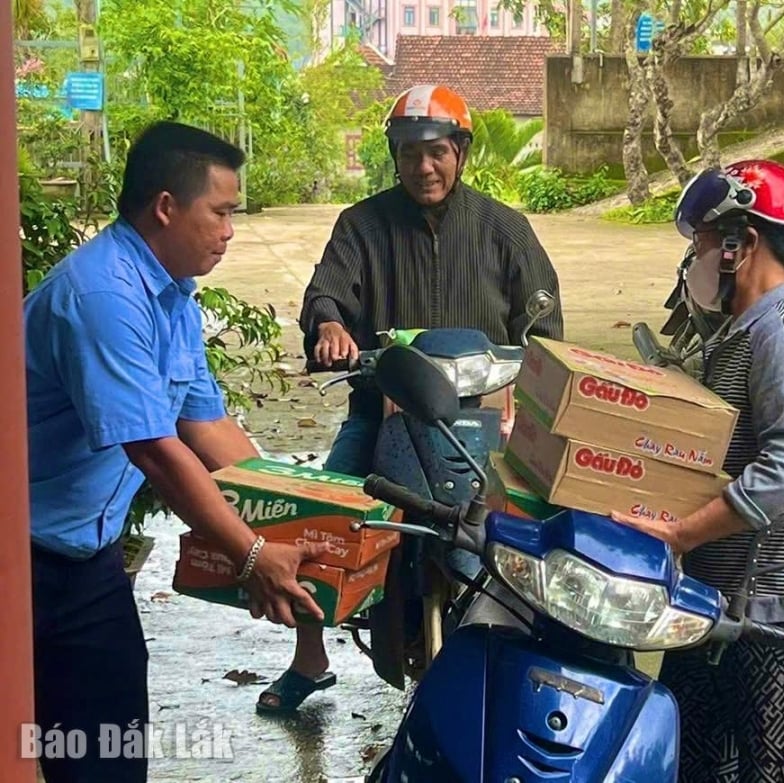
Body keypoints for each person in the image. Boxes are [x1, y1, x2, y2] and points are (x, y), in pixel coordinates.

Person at [24, 121, 331, 783]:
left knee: (104, 750)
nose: (229, 230)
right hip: (18, 558)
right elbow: (156, 452)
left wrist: (298, 515)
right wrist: (251, 555)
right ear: (167, 207)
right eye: (220, 211)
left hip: (86, 560)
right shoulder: (103, 296)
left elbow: (207, 426)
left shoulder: (173, 300)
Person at [256, 83, 564, 714]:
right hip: (379, 412)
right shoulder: (360, 225)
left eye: (437, 152)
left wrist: (532, 372)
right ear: (394, 156)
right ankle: (310, 660)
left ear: (461, 151)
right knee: (323, 516)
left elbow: (545, 328)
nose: (424, 167)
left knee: (543, 528)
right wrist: (331, 327)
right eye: (409, 153)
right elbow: (326, 295)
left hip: (480, 423)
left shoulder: (507, 230)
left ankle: (529, 661)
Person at [612, 160, 784, 782]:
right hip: (729, 606)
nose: (694, 258)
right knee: (697, 764)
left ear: (742, 243)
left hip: (783, 615)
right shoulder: (743, 332)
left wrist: (681, 535)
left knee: (763, 773)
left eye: (701, 241)